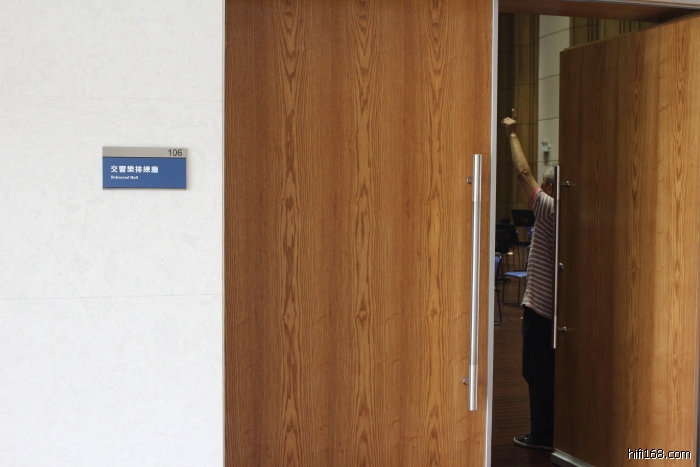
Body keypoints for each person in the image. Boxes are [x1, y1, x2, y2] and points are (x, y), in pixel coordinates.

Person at [501, 109, 555, 451]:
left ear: (548, 187)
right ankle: (558, 433)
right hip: (559, 310)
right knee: (551, 373)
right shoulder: (576, 213)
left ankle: (542, 436)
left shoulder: (550, 209)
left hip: (541, 309)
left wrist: (512, 135)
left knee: (536, 372)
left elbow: (523, 172)